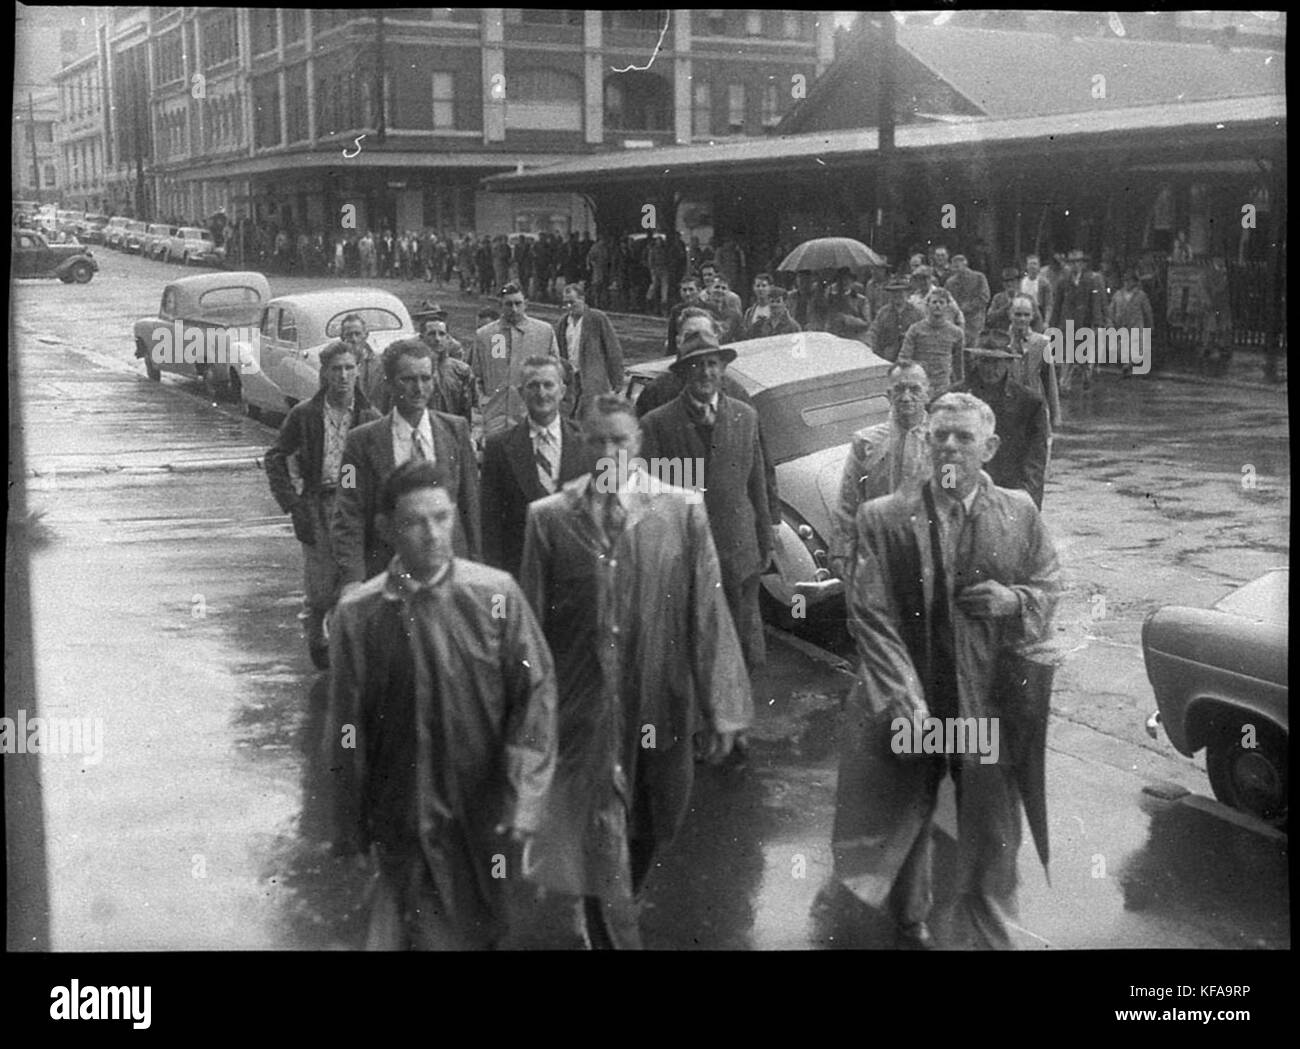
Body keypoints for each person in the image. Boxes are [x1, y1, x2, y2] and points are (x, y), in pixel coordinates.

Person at [519, 394, 753, 948]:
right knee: (602, 830)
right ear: (582, 442)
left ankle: (616, 898)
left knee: (658, 815)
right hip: (584, 706)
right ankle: (612, 928)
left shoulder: (680, 510)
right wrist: (530, 719)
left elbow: (708, 611)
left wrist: (723, 710)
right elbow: (529, 629)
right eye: (596, 440)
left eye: (618, 440)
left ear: (638, 445)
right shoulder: (549, 519)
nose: (607, 452)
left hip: (660, 697)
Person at [835, 392, 1061, 950]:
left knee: (989, 827)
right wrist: (905, 699)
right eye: (940, 436)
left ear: (991, 447)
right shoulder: (883, 518)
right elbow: (871, 613)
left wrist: (1014, 599)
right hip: (910, 699)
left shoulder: (1019, 512)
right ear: (925, 442)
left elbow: (1049, 582)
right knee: (903, 820)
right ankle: (908, 920)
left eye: (964, 436)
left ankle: (987, 934)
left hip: (983, 701)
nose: (951, 447)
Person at [323, 458, 557, 950]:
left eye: (442, 517)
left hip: (485, 818)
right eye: (414, 521)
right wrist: (349, 823)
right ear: (386, 529)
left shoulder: (495, 596)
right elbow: (348, 728)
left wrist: (524, 799)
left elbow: (534, 699)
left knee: (489, 931)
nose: (432, 534)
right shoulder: (360, 615)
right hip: (404, 821)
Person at [640, 329, 775, 672]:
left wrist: (765, 541)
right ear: (684, 373)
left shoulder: (745, 416)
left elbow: (756, 483)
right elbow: (647, 500)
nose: (706, 373)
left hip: (738, 551)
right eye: (696, 366)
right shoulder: (657, 424)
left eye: (712, 364)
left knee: (741, 656)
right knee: (694, 658)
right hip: (686, 557)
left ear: (722, 369)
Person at [264, 341, 381, 669]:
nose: (343, 376)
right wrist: (292, 502)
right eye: (335, 369)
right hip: (318, 503)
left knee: (356, 577)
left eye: (349, 368)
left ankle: (350, 653)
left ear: (358, 371)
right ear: (324, 373)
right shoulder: (305, 414)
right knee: (319, 588)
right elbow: (275, 456)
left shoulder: (369, 416)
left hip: (356, 503)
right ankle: (317, 636)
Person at [332, 339, 482, 589]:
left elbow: (471, 506)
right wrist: (352, 579)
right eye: (408, 379)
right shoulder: (359, 442)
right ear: (389, 383)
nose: (418, 388)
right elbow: (348, 513)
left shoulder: (456, 430)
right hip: (386, 574)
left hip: (450, 571)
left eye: (425, 378)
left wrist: (477, 567)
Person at [481, 357, 586, 578]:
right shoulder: (499, 446)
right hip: (520, 571)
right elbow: (490, 522)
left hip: (575, 574)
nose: (541, 393)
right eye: (533, 385)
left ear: (562, 390)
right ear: (521, 392)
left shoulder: (586, 441)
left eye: (548, 385)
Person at [829, 361, 932, 583]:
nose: (906, 397)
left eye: (914, 389)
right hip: (878, 551)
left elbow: (953, 496)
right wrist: (842, 550)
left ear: (927, 394)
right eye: (899, 390)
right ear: (888, 395)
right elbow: (849, 499)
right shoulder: (867, 443)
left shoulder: (943, 442)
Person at [951, 342, 1050, 508]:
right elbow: (945, 453)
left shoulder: (1029, 403)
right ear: (976, 361)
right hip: (963, 492)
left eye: (997, 362)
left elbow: (1036, 458)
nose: (991, 369)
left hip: (1012, 491)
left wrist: (1025, 496)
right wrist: (948, 492)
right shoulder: (954, 397)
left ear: (1009, 364)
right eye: (985, 361)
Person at [470, 282, 561, 438]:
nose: (514, 309)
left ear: (526, 304)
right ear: (500, 305)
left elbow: (557, 374)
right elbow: (476, 376)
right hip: (496, 416)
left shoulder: (544, 332)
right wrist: (483, 405)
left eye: (518, 304)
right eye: (508, 304)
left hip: (532, 415)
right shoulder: (486, 335)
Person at [554, 283, 624, 419]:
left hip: (592, 378)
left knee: (592, 415)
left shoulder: (597, 319)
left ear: (582, 299)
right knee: (570, 415)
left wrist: (617, 381)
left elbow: (613, 350)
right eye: (565, 303)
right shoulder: (563, 323)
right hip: (571, 378)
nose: (568, 306)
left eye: (572, 302)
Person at [1052, 249, 1106, 392]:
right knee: (1067, 355)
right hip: (1068, 324)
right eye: (1072, 263)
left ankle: (1086, 374)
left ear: (1083, 264)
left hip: (1085, 323)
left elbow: (1095, 302)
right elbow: (1057, 304)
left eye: (1078, 262)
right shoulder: (1063, 281)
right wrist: (1053, 325)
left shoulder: (1091, 280)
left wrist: (1098, 323)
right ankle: (1064, 384)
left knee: (1084, 355)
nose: (1075, 266)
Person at [1006, 297, 1062, 430]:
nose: (1022, 319)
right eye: (1018, 314)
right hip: (1008, 405)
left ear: (1032, 316)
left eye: (1026, 315)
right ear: (1010, 315)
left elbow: (1050, 381)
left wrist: (1055, 415)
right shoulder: (1002, 341)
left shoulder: (1042, 343)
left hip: (1034, 404)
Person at [898, 288, 965, 397]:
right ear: (928, 305)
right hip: (919, 385)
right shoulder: (915, 329)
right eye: (934, 302)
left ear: (947, 306)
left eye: (941, 302)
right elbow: (904, 357)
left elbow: (958, 364)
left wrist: (959, 386)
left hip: (943, 387)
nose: (937, 305)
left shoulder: (956, 333)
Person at [417, 315, 477, 426]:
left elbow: (470, 409)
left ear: (448, 338)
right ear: (421, 338)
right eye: (431, 334)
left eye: (441, 334)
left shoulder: (462, 370)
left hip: (452, 432)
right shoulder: (413, 370)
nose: (437, 339)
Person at [1107, 268, 1154, 378]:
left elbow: (1147, 312)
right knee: (1121, 348)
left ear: (1134, 282)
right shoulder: (1117, 295)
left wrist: (1150, 326)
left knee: (1136, 348)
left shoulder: (1141, 296)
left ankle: (1129, 365)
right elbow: (1111, 311)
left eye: (1129, 281)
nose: (1127, 283)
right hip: (1121, 327)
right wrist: (1110, 324)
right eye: (1125, 281)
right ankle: (1126, 365)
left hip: (1136, 326)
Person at [863, 278, 923, 362]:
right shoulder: (883, 313)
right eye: (894, 292)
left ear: (907, 293)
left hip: (911, 358)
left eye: (901, 292)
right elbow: (874, 332)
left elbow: (923, 334)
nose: (897, 295)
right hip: (887, 357)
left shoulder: (917, 313)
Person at [340, 313, 387, 414]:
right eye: (349, 335)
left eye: (358, 334)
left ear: (366, 335)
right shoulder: (335, 366)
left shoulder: (380, 365)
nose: (354, 339)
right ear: (342, 337)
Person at [944, 254, 991, 348]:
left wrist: (969, 307)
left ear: (965, 265)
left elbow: (984, 297)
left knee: (973, 349)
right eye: (954, 267)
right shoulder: (950, 282)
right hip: (956, 322)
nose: (956, 269)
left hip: (975, 321)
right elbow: (946, 299)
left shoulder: (979, 277)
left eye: (958, 266)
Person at [986, 267, 1043, 333]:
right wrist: (1006, 307)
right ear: (1003, 283)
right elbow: (989, 319)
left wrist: (1034, 337)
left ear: (1018, 282)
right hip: (1002, 337)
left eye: (1012, 280)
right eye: (1006, 281)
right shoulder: (998, 298)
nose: (1009, 284)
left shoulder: (1028, 298)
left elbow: (1038, 321)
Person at [665, 274, 712, 354]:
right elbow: (672, 337)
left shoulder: (710, 308)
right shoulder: (676, 310)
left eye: (691, 289)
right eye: (684, 290)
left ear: (699, 290)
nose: (688, 293)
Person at [1019, 255, 1053, 326]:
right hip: (1023, 313)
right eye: (1030, 264)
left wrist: (1046, 322)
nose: (1032, 266)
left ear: (1038, 267)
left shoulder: (1044, 283)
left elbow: (1048, 304)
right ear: (1027, 266)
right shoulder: (1022, 282)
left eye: (1034, 264)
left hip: (1039, 314)